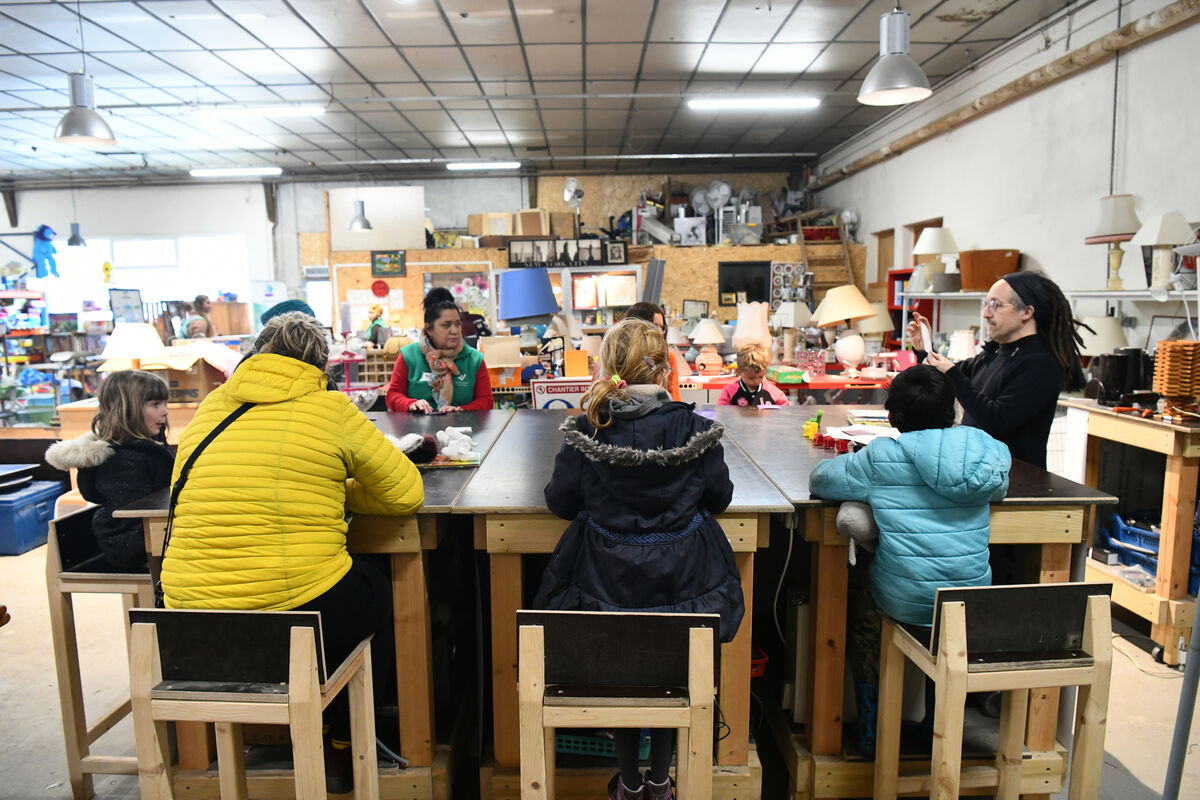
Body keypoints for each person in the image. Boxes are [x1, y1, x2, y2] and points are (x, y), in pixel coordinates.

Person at [159, 312, 424, 790]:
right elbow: (404, 494)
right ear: (319, 364)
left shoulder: (212, 407)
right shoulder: (331, 408)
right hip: (294, 621)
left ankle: (232, 755)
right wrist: (331, 490)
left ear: (255, 355)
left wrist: (315, 486)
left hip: (193, 627)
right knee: (377, 593)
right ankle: (342, 744)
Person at [534, 317, 744, 800]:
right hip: (683, 587)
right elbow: (720, 497)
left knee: (624, 668)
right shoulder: (697, 429)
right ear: (667, 369)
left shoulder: (588, 430)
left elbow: (560, 502)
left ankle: (629, 783)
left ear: (608, 368)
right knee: (669, 668)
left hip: (605, 587)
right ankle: (662, 780)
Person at [808, 365, 1010, 757]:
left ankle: (870, 731)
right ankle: (937, 727)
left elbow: (821, 480)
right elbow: (1000, 485)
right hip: (970, 601)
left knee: (864, 617)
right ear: (951, 408)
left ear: (893, 416)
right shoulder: (986, 447)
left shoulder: (884, 456)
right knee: (950, 635)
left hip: (905, 600)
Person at [906, 270, 1084, 469]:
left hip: (1015, 481)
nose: (985, 313)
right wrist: (926, 349)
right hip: (978, 474)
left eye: (995, 305)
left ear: (1026, 312)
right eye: (986, 304)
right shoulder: (998, 352)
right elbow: (947, 378)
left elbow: (998, 421)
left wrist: (953, 374)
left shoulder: (1041, 363)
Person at [46, 370, 175, 571]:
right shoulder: (125, 459)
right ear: (128, 409)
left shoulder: (149, 448)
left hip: (149, 535)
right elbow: (136, 517)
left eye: (164, 403)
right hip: (129, 545)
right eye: (155, 404)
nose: (165, 411)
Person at [385, 287, 494, 413]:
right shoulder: (408, 356)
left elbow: (486, 401)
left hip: (462, 429)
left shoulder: (474, 359)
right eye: (446, 325)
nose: (454, 331)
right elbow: (392, 396)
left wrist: (461, 410)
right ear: (429, 330)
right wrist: (411, 404)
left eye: (458, 324)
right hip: (417, 430)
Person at [620, 302, 681, 401]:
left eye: (662, 327)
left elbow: (675, 398)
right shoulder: (615, 356)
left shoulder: (668, 358)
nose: (660, 332)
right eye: (655, 325)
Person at [717, 344, 791, 407]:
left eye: (760, 377)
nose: (756, 381)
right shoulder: (729, 391)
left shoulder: (773, 392)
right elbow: (722, 413)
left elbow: (786, 411)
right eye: (751, 378)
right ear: (739, 371)